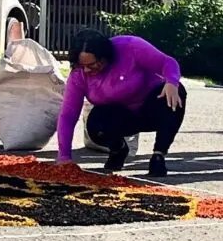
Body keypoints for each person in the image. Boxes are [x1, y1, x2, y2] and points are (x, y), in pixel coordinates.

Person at [56, 28, 186, 179]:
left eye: (92, 65)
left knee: (176, 94)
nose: (86, 70)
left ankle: (159, 155)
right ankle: (118, 149)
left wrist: (171, 82)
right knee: (96, 123)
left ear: (104, 57)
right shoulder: (78, 76)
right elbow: (68, 116)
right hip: (122, 116)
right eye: (81, 65)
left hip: (152, 106)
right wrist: (64, 156)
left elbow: (168, 63)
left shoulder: (130, 46)